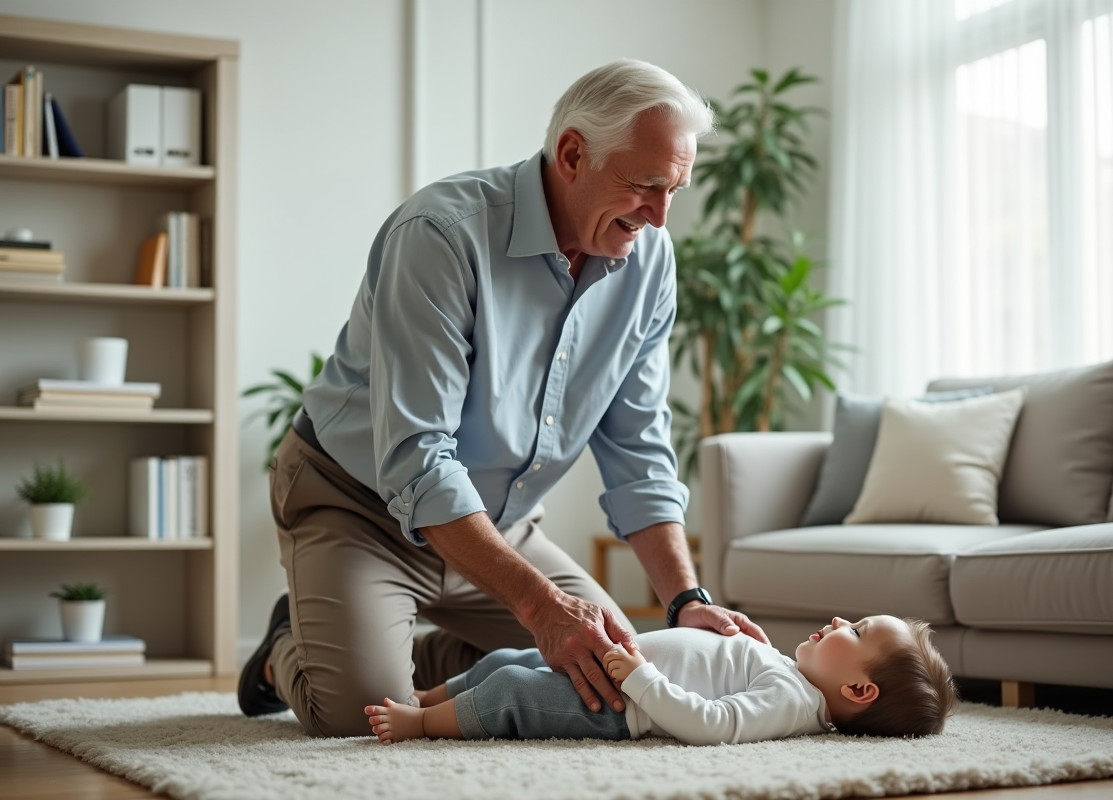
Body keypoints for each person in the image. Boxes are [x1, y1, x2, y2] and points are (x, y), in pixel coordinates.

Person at [238, 59, 771, 738]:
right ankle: (285, 650)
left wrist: (685, 601)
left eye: (675, 190)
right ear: (573, 153)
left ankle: (401, 651)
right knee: (358, 714)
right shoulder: (441, 235)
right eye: (645, 186)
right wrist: (541, 607)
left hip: (499, 522)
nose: (661, 217)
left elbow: (640, 447)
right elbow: (417, 456)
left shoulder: (649, 260)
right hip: (359, 506)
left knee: (608, 673)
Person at [363, 615, 958, 745]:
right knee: (510, 658)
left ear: (858, 691)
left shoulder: (792, 703)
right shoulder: (788, 671)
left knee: (511, 692)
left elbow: (714, 724)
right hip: (612, 672)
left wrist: (642, 679)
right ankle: (429, 695)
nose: (837, 620)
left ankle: (420, 723)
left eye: (852, 631)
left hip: (613, 704)